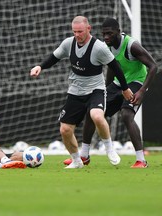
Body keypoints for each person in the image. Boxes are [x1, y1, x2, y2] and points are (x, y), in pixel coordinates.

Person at [30, 16, 133, 169]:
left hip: (95, 90)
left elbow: (116, 67)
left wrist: (125, 89)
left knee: (97, 116)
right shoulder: (68, 43)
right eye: (75, 31)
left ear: (88, 29)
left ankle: (109, 149)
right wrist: (40, 66)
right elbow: (54, 57)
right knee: (65, 129)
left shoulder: (98, 47)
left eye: (80, 31)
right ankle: (77, 161)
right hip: (75, 91)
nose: (77, 35)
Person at [64, 18, 157, 168]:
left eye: (110, 34)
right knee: (93, 112)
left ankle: (141, 160)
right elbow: (112, 69)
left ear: (118, 32)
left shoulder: (132, 46)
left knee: (126, 115)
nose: (106, 37)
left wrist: (141, 91)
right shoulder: (106, 47)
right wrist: (104, 91)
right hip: (118, 83)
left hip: (136, 83)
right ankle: (84, 155)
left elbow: (153, 66)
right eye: (104, 34)